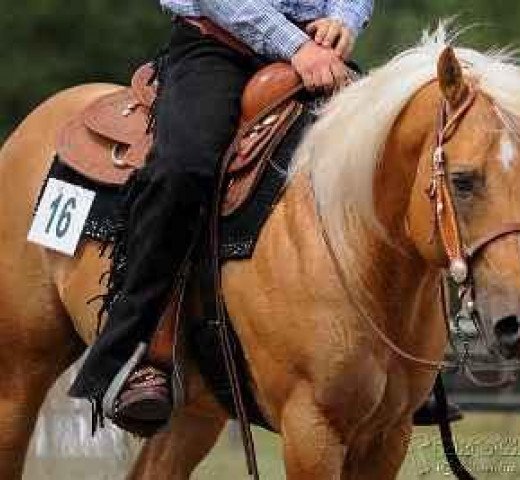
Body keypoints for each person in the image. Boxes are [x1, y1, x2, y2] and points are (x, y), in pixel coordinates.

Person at [69, 0, 460, 436]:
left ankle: (405, 367)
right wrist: (293, 45)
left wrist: (343, 21)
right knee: (183, 169)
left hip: (318, 51)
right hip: (218, 45)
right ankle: (137, 349)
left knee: (392, 162)